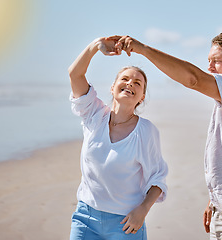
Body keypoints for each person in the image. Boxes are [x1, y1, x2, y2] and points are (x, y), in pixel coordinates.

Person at [109, 32, 222, 240]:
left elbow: (193, 79)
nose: (209, 68)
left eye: (216, 61)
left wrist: (143, 50)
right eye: (208, 61)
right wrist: (215, 201)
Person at [68, 37, 168, 240]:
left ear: (141, 97)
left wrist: (143, 210)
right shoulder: (93, 114)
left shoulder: (146, 131)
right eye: (125, 79)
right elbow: (75, 74)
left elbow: (158, 178)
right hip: (85, 218)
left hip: (126, 223)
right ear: (113, 87)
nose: (130, 83)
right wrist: (95, 46)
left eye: (137, 83)